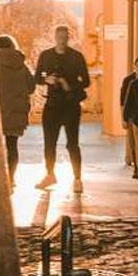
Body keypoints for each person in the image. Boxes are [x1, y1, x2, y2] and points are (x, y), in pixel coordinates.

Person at [33, 24, 91, 193]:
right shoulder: (46, 56)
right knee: (49, 143)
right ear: (55, 37)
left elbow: (86, 81)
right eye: (59, 37)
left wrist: (69, 85)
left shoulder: (76, 57)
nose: (62, 41)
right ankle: (50, 175)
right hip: (52, 104)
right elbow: (37, 77)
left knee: (72, 144)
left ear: (68, 38)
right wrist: (47, 80)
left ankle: (77, 179)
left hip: (71, 105)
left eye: (65, 38)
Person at [0, 35, 35, 185]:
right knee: (12, 146)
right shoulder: (21, 64)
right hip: (16, 112)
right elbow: (31, 87)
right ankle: (11, 179)